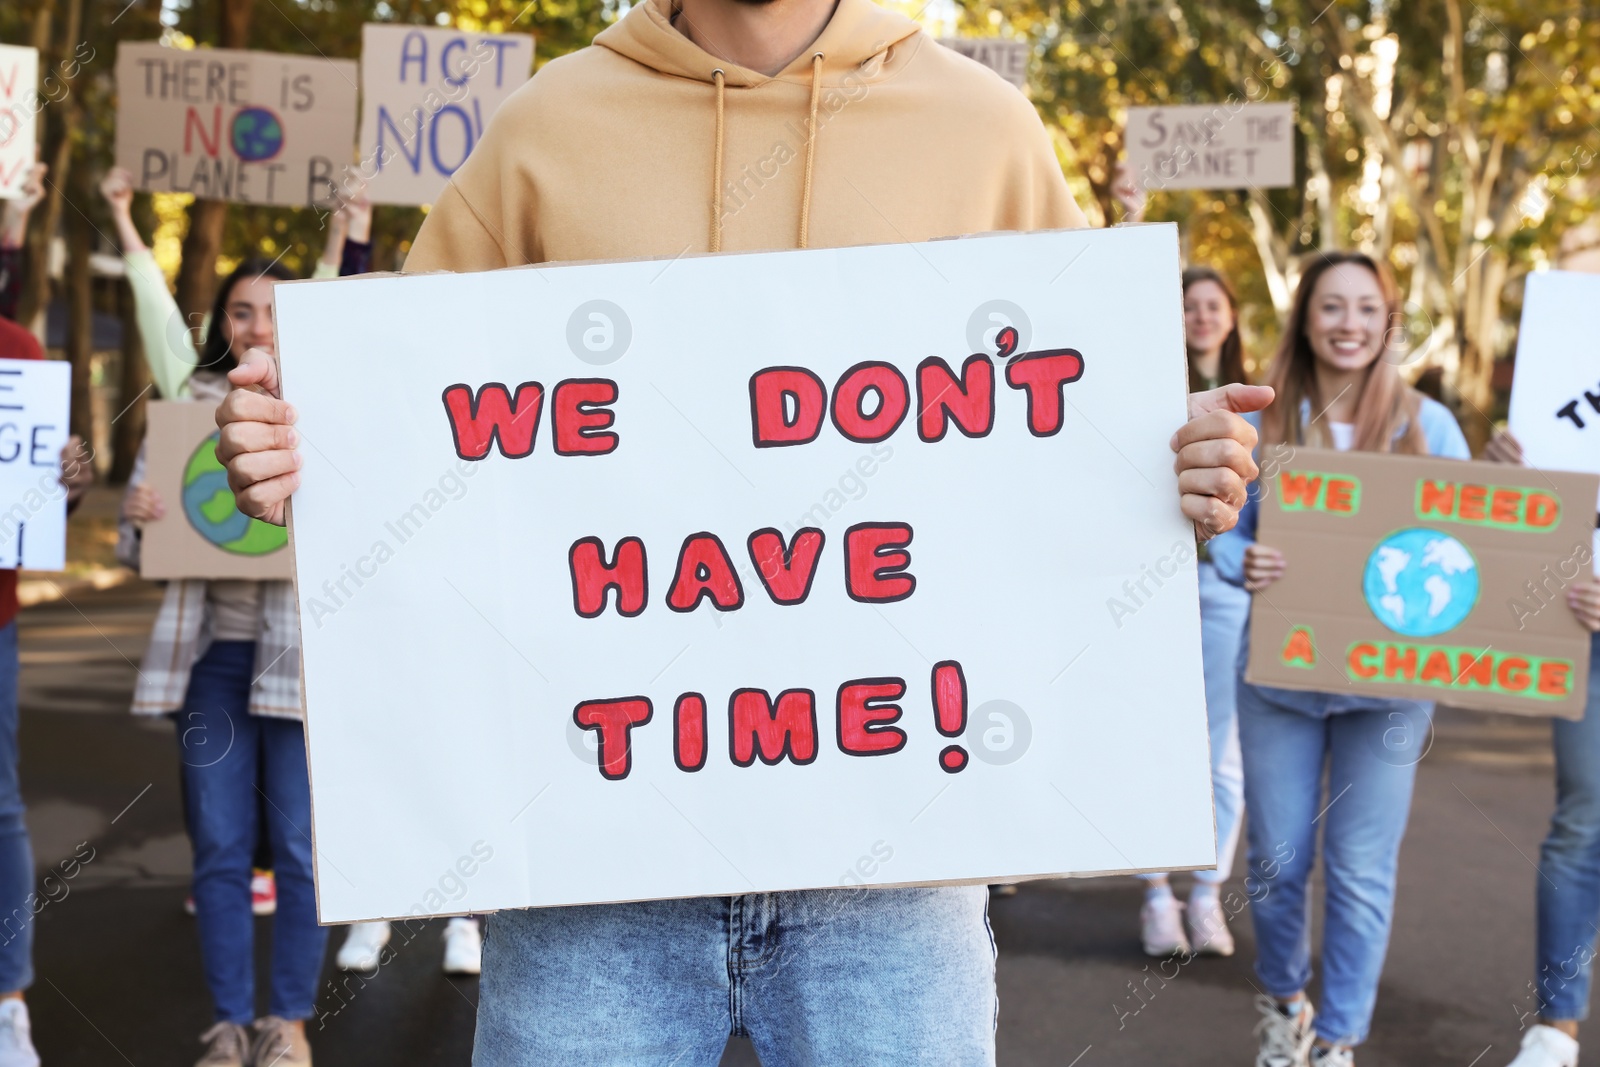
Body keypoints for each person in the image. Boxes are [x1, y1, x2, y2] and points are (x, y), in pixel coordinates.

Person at [213, 0, 1269, 1061]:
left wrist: (1179, 468)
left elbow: (1077, 439)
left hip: (896, 867)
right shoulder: (543, 127)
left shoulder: (986, 132)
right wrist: (298, 461)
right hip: (591, 860)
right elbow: (409, 439)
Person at [102, 166, 376, 1067]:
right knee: (220, 849)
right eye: (240, 313)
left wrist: (351, 232)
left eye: (273, 310)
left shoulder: (330, 414)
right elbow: (138, 549)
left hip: (302, 663)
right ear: (223, 326)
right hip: (212, 659)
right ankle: (228, 1024)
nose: (257, 325)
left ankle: (286, 1022)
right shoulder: (188, 412)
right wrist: (136, 524)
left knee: (299, 851)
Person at [1208, 250, 1469, 1067]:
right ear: (1305, 319)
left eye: (1366, 308)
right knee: (1278, 863)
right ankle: (1284, 1002)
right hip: (1281, 679)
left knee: (1359, 869)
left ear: (1388, 321)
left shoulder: (1431, 426)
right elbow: (1220, 529)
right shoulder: (1265, 422)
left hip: (1389, 693)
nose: (1348, 324)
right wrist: (1236, 562)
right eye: (1331, 307)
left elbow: (1474, 544)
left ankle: (1339, 1039)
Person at [0, 160, 94, 1067]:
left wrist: (65, 485)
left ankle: (8, 998)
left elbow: (33, 504)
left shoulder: (19, 353)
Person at [1137, 266, 1253, 958]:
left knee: (1222, 749)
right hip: (1154, 591)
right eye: (1189, 305)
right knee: (1155, 738)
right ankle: (1156, 894)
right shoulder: (1147, 392)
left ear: (1231, 316)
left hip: (1226, 595)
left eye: (1214, 303)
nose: (1202, 315)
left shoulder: (1260, 409)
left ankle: (1207, 893)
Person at [1488, 429, 1600, 1067]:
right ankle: (1557, 1032)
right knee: (1581, 828)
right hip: (1580, 625)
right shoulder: (1571, 360)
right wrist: (1505, 477)